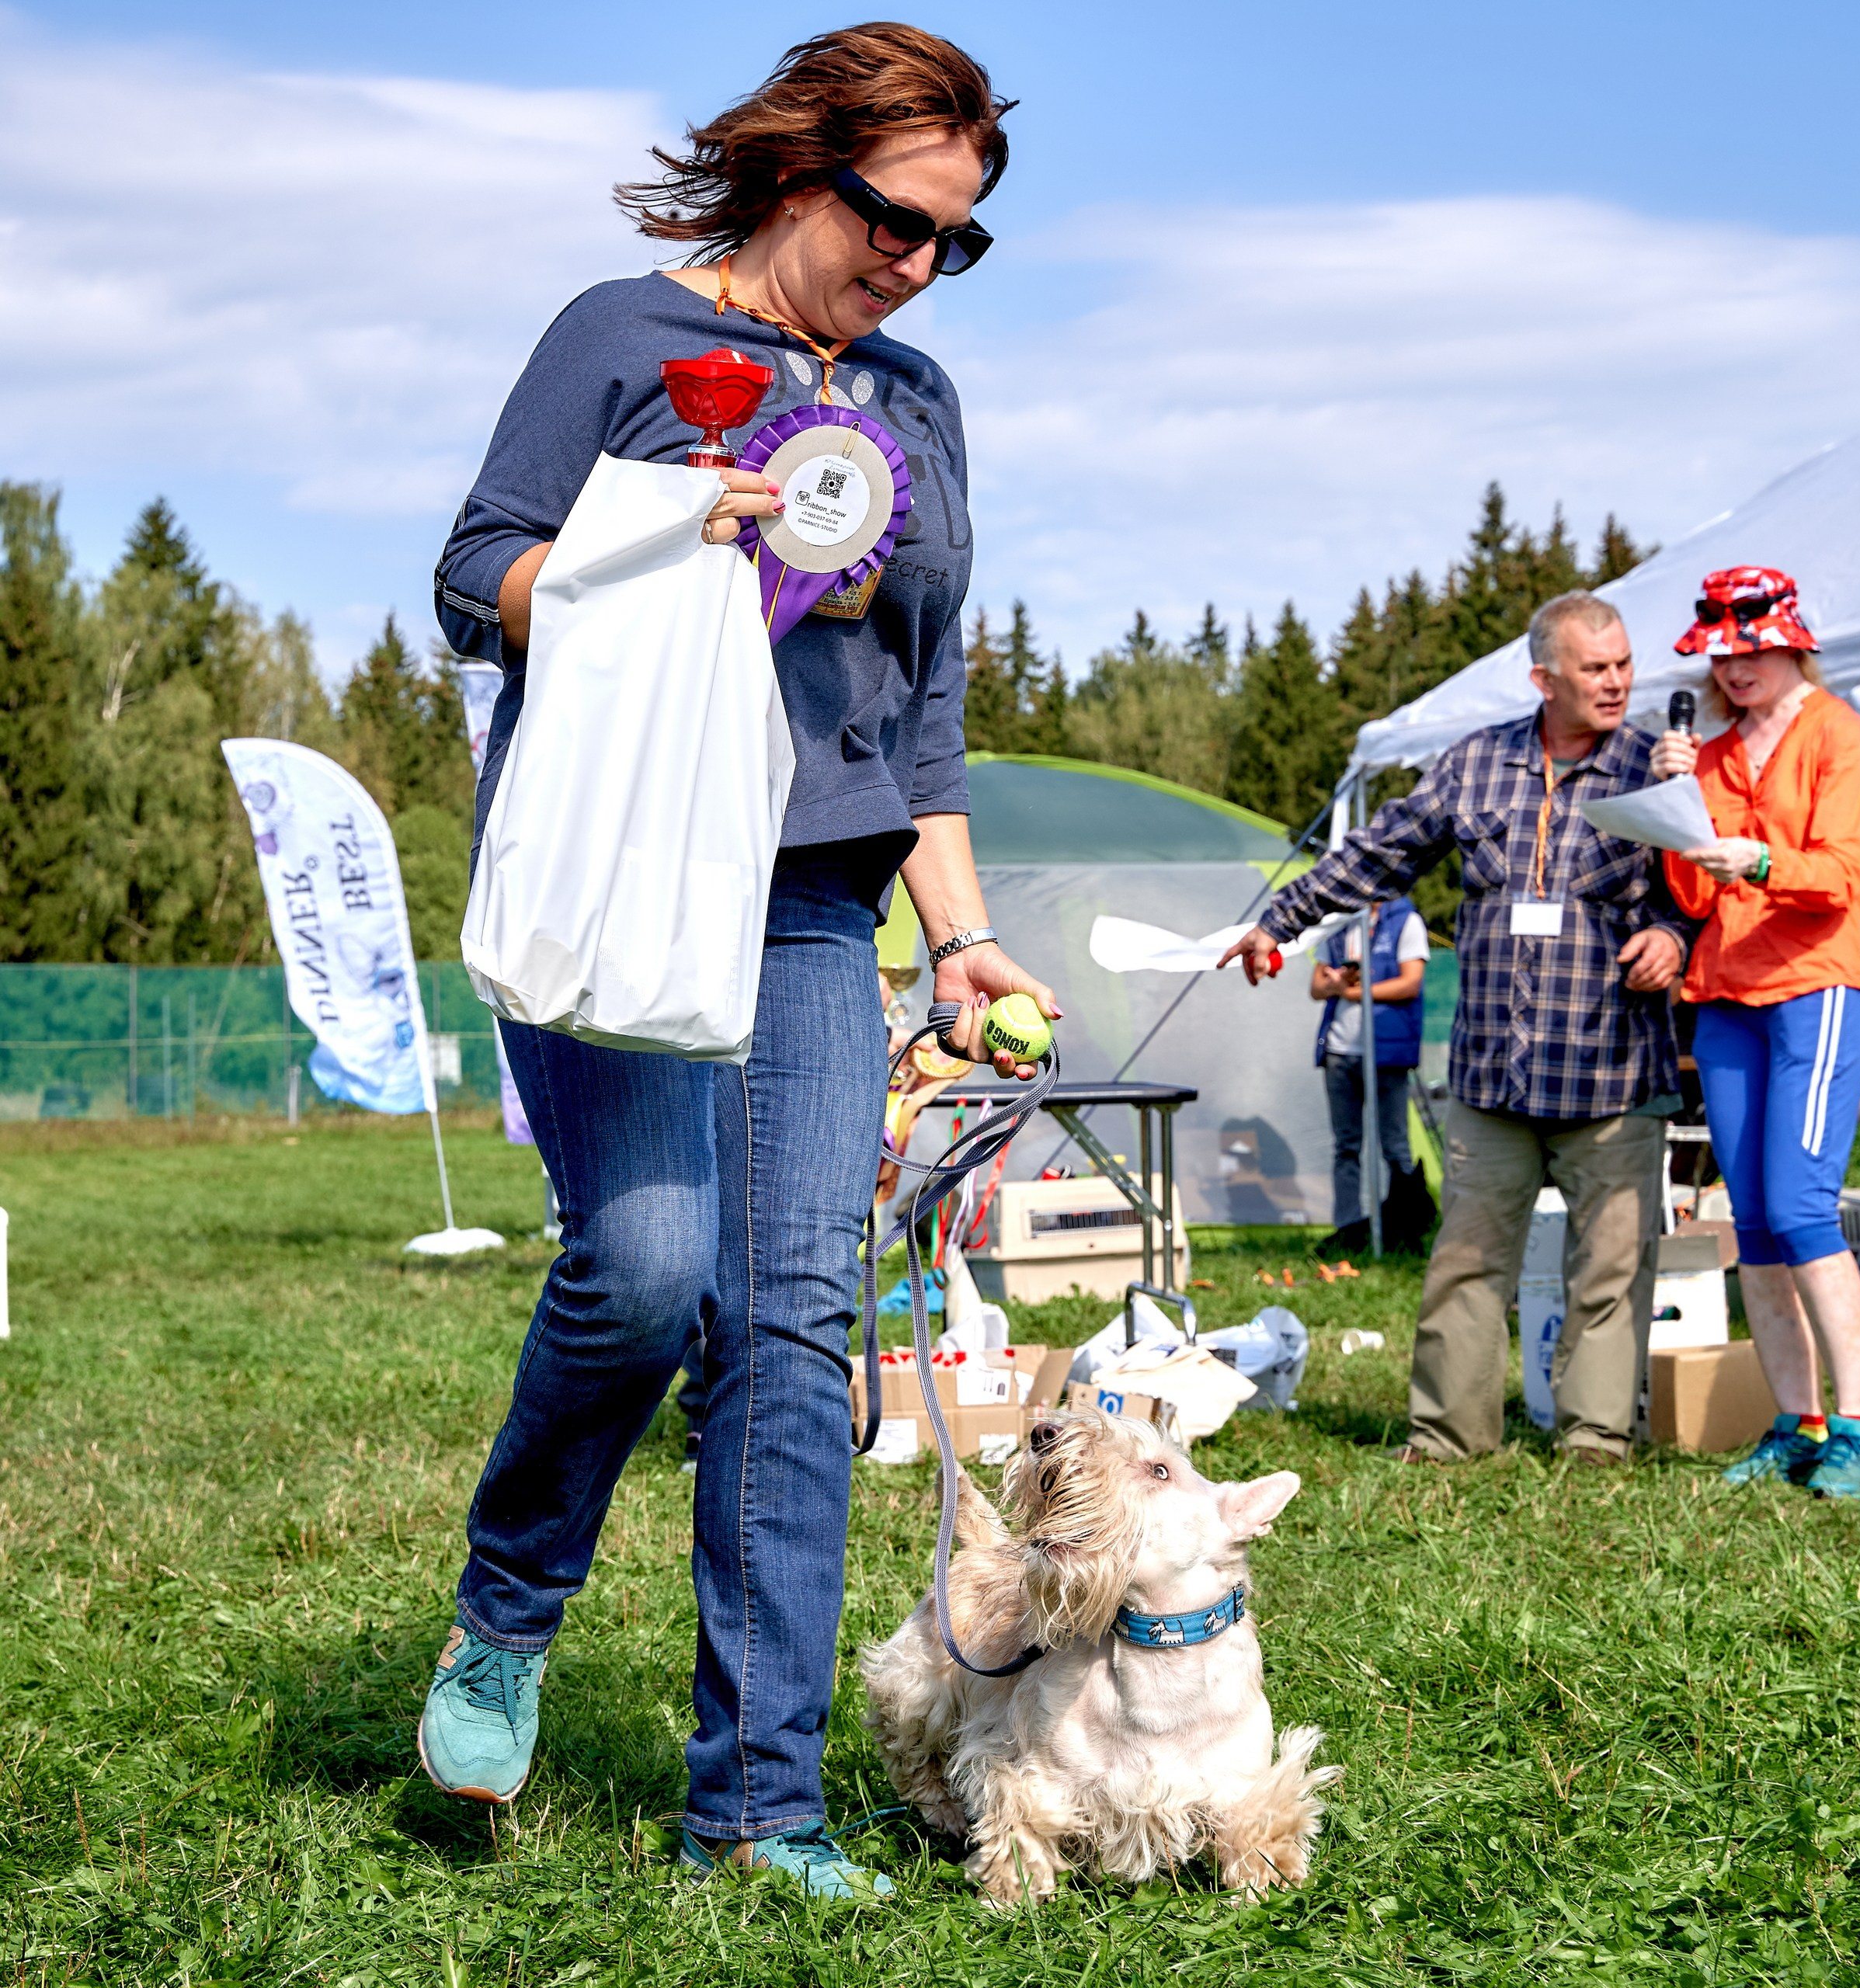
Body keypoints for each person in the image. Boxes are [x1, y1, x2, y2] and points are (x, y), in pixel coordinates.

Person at [419, 27, 1055, 1899]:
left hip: (810, 903)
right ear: (801, 171)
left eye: (955, 240)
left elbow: (921, 703)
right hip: (621, 868)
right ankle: (508, 1605)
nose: (916, 263)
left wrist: (963, 934)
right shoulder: (618, 336)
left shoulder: (917, 399)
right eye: (892, 219)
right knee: (646, 1269)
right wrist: (665, 535)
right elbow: (477, 575)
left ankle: (755, 1807)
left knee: (788, 1327)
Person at [1220, 592, 1694, 1465]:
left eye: (1625, 664)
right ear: (1543, 677)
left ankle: (1596, 1440)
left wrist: (1673, 935)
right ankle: (1447, 1439)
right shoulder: (1476, 764)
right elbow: (1375, 854)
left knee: (1613, 1270)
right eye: (1597, 668)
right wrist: (1279, 921)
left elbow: (1702, 891)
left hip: (1614, 1071)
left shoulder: (1654, 771)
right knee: (1467, 1265)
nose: (1619, 682)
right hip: (1493, 1073)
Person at [1652, 567, 1860, 1499]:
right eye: (1721, 651)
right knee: (1750, 1221)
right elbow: (1688, 895)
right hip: (1726, 993)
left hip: (1819, 984)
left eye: (1750, 647)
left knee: (1801, 1208)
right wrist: (1677, 813)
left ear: (1792, 641)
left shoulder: (1842, 735)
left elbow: (1838, 874)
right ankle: (1797, 1423)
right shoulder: (1707, 756)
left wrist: (1752, 854)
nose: (1735, 664)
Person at [1309, 898, 1431, 1254]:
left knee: (1395, 1147)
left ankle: (1405, 1230)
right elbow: (1316, 987)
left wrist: (1350, 989)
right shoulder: (1337, 922)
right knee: (1346, 1146)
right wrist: (1338, 983)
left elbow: (1410, 984)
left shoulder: (1405, 921)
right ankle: (1348, 1230)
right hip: (1339, 1051)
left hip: (1387, 1052)